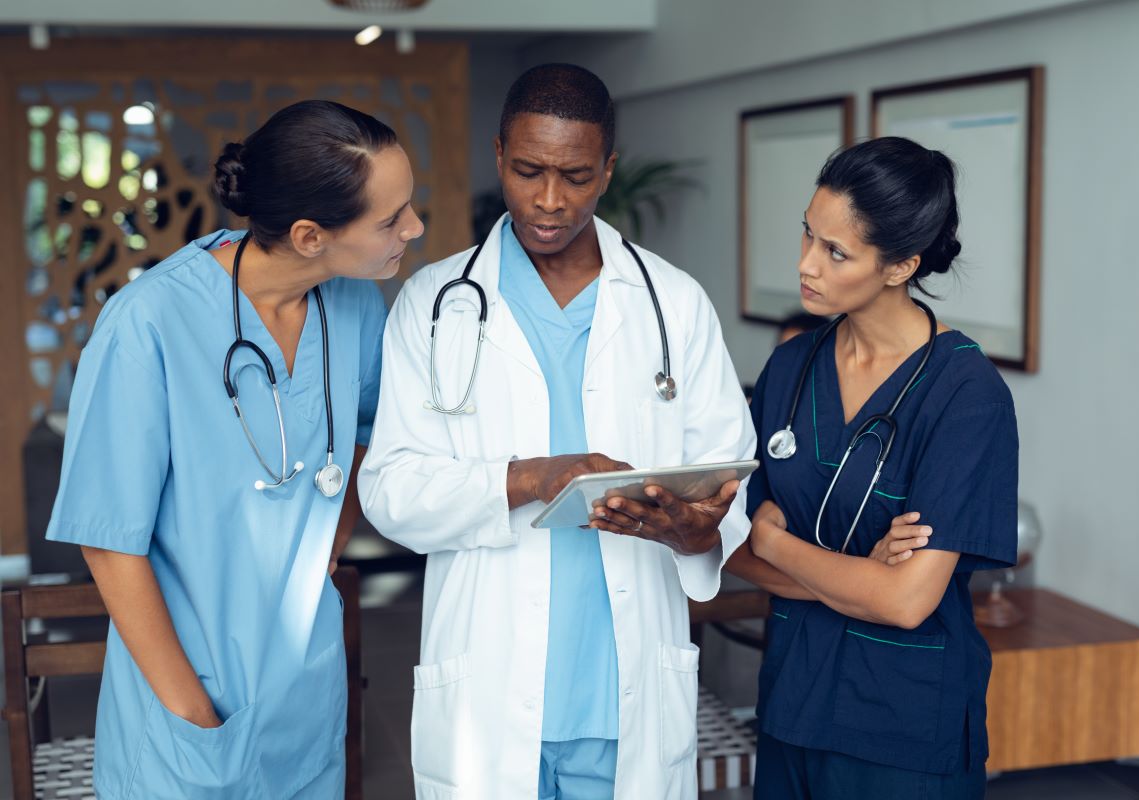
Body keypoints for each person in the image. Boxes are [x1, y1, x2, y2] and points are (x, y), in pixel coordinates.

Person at [358, 64, 754, 799]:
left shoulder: (674, 303)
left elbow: (728, 478)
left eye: (574, 176)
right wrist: (529, 477)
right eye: (528, 170)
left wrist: (697, 533)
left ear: (607, 169)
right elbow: (390, 490)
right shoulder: (435, 303)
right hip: (488, 682)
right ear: (500, 153)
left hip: (622, 691)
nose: (548, 200)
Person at [46, 100, 424, 799]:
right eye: (391, 219)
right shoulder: (149, 322)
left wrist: (327, 544)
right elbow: (108, 541)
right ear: (311, 235)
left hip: (305, 688)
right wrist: (190, 713)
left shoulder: (354, 306)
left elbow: (366, 429)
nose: (415, 228)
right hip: (186, 697)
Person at [731, 137, 1018, 799]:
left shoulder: (964, 394)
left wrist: (779, 542)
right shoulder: (790, 367)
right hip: (790, 707)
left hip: (901, 731)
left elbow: (906, 601)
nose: (806, 264)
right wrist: (856, 575)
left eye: (836, 252)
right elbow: (725, 548)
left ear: (900, 266)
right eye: (808, 234)